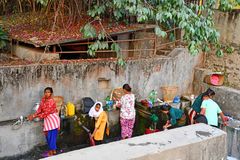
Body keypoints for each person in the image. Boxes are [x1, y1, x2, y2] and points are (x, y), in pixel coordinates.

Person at [28, 87, 60, 157]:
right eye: (45, 92)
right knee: (48, 136)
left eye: (48, 92)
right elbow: (39, 110)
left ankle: (52, 152)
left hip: (53, 119)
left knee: (51, 136)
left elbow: (46, 113)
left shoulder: (51, 101)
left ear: (51, 93)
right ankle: (53, 150)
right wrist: (33, 115)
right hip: (47, 119)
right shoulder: (43, 100)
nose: (46, 93)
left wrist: (34, 117)